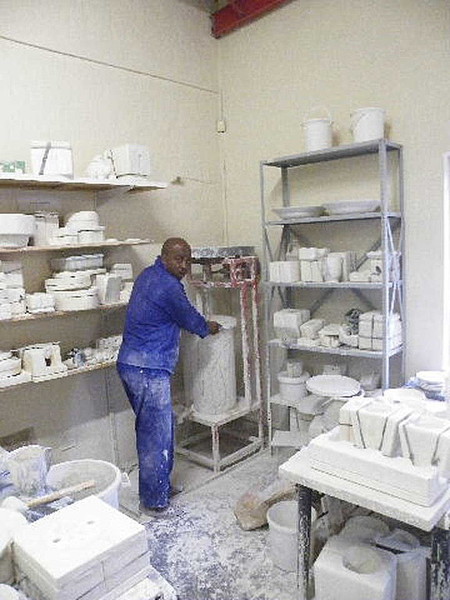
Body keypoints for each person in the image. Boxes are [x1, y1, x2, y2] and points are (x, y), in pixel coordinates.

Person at [117, 237, 221, 511]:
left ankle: (159, 487)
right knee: (156, 436)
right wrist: (208, 327)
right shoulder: (169, 286)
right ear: (164, 257)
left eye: (188, 260)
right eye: (178, 259)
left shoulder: (147, 275)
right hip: (147, 370)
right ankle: (154, 502)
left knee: (153, 431)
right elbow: (189, 318)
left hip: (131, 364)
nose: (184, 266)